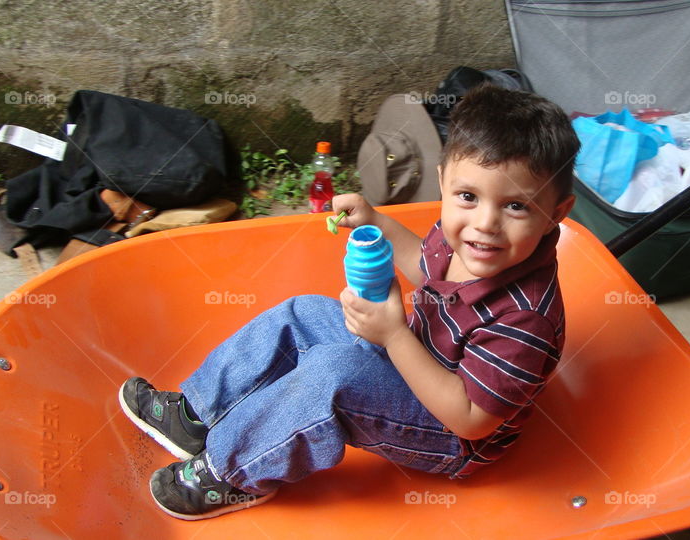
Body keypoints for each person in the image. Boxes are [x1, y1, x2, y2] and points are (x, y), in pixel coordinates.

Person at [117, 84, 579, 520]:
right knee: (301, 313)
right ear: (444, 183)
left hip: (449, 435)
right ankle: (197, 415)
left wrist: (394, 337)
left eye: (516, 206)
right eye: (468, 196)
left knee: (333, 375)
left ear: (556, 213)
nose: (485, 223)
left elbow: (471, 420)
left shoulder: (524, 319)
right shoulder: (467, 238)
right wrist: (375, 219)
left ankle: (231, 472)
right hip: (415, 361)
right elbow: (425, 265)